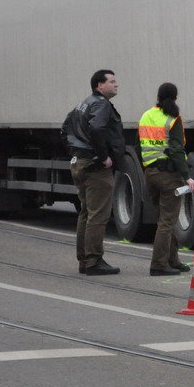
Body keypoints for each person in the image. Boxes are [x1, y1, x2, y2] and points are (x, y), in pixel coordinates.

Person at [63, 69, 125, 275]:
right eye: (112, 81)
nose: (116, 84)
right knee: (98, 214)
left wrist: (76, 151)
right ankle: (94, 260)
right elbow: (97, 129)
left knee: (86, 213)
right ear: (100, 85)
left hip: (80, 162)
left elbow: (65, 128)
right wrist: (103, 156)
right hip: (95, 166)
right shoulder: (101, 104)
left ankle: (84, 259)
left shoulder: (84, 103)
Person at [138, 82, 194, 276]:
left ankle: (173, 260)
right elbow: (176, 150)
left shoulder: (146, 115)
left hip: (150, 173)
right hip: (168, 175)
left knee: (164, 219)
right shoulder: (173, 119)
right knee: (167, 222)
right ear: (175, 97)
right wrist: (187, 177)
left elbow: (142, 145)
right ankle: (158, 264)